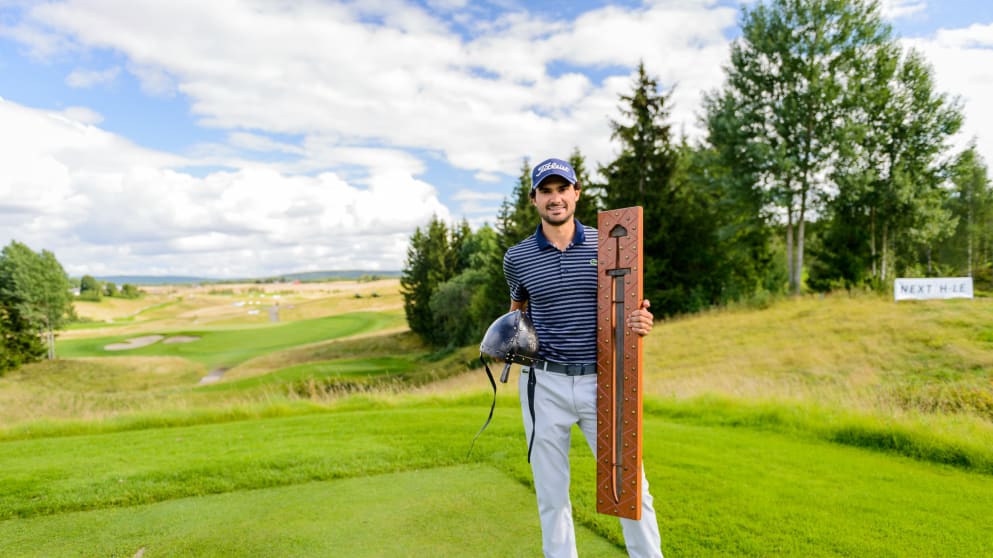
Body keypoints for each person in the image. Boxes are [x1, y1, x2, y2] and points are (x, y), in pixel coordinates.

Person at [503, 157, 663, 558]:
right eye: (546, 191)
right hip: (544, 384)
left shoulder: (610, 245)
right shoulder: (517, 257)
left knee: (630, 487)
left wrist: (640, 320)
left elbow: (627, 306)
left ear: (576, 193)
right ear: (534, 199)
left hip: (604, 381)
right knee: (551, 494)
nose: (555, 198)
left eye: (562, 189)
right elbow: (517, 315)